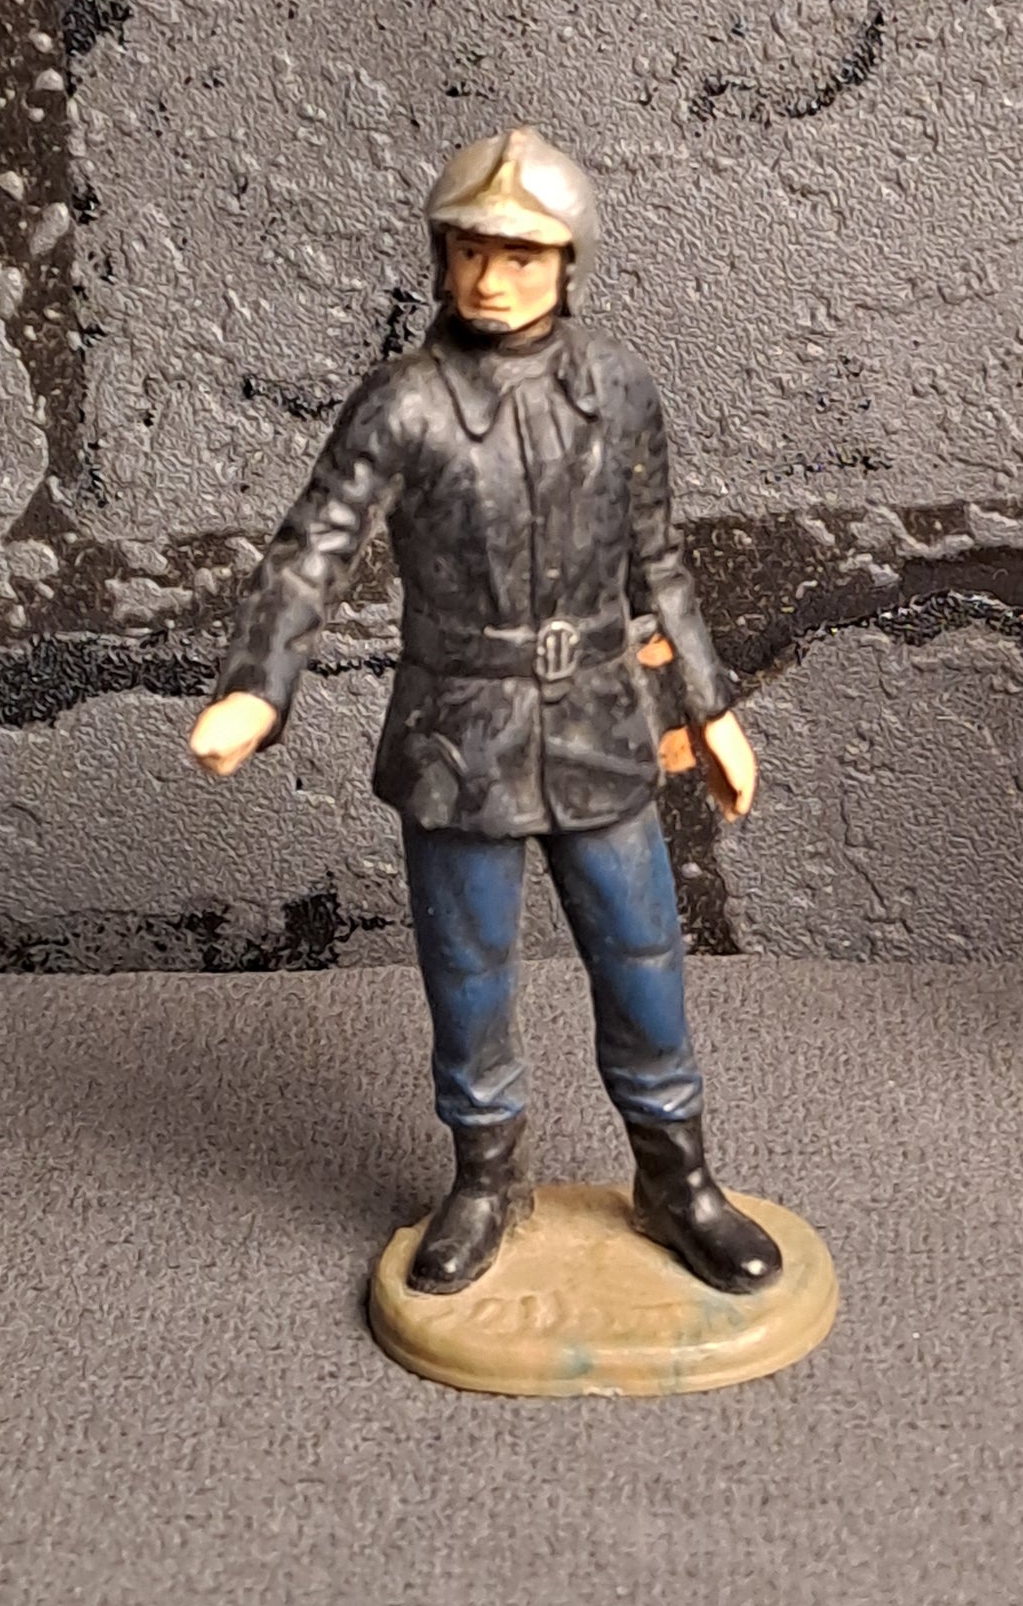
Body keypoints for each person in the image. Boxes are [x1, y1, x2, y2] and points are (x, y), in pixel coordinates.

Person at [190, 128, 784, 1297]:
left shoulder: (617, 391)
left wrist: (711, 706)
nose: (489, 278)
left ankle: (676, 1179)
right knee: (465, 971)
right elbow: (313, 548)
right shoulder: (403, 405)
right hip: (457, 733)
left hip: (599, 722)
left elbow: (659, 561)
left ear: (567, 262)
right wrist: (258, 685)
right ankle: (483, 1178)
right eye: (468, 251)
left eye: (518, 255)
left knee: (643, 955)